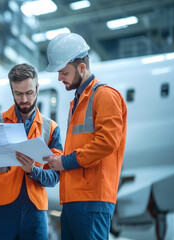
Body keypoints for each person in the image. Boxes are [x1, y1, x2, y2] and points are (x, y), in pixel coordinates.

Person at [43, 32, 127, 240]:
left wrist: (66, 161)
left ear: (82, 68)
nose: (60, 78)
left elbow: (107, 143)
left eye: (64, 72)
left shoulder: (105, 96)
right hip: (73, 199)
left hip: (92, 200)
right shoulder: (78, 103)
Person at [0, 63, 63, 240]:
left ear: (37, 88)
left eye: (29, 93)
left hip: (35, 211)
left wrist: (33, 171)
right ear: (12, 90)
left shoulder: (51, 129)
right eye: (18, 94)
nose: (24, 99)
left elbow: (54, 178)